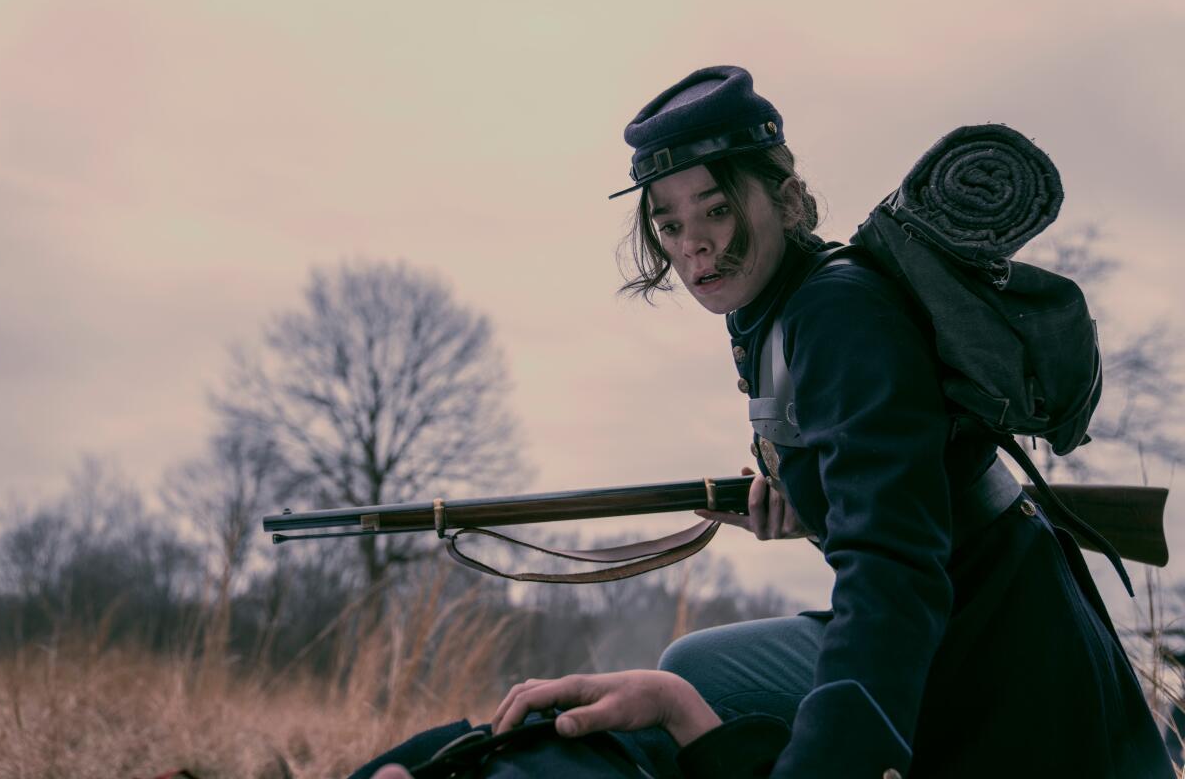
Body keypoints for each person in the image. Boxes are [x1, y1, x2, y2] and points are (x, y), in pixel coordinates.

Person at [361, 67, 1174, 778]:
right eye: (669, 223)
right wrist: (800, 499)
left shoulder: (836, 313)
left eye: (715, 209)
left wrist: (840, 762)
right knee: (694, 661)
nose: (693, 247)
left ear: (785, 199)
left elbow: (894, 566)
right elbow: (892, 483)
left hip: (994, 638)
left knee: (696, 681)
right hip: (960, 603)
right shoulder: (778, 305)